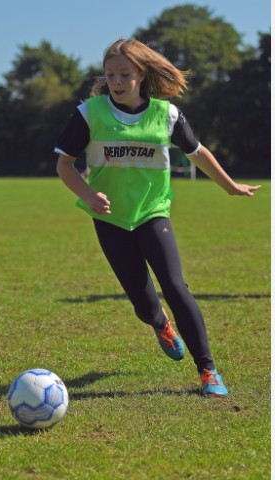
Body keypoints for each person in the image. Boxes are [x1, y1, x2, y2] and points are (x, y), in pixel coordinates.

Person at [55, 38, 261, 397]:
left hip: (153, 213)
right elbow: (64, 164)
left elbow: (197, 152)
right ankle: (160, 323)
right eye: (111, 75)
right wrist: (88, 195)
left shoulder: (167, 115)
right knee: (143, 303)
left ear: (142, 74)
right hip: (110, 220)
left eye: (125, 74)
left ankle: (208, 370)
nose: (117, 81)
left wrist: (228, 186)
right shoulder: (89, 113)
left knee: (176, 286)